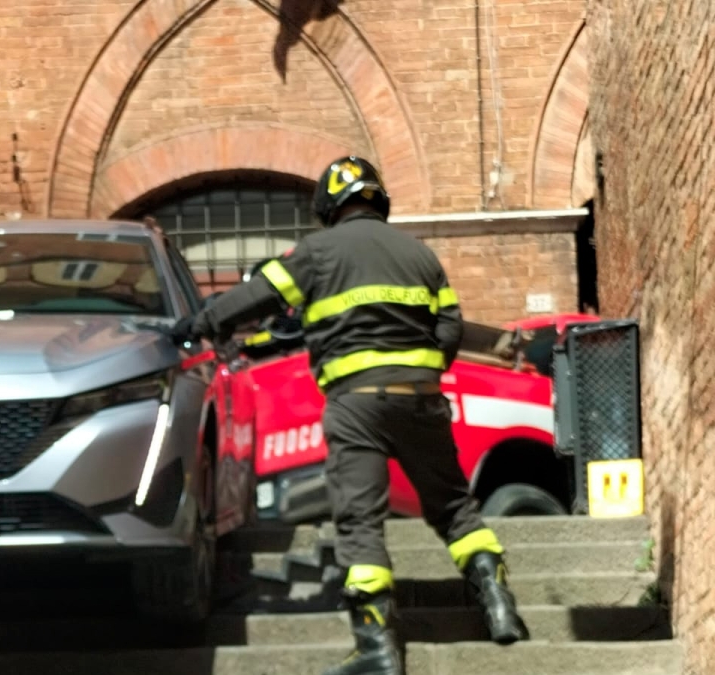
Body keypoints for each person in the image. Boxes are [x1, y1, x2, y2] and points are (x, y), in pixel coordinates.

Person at [171, 156, 529, 675]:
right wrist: (425, 370)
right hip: (422, 400)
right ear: (378, 198)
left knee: (360, 521)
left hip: (356, 404)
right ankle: (499, 606)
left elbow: (257, 296)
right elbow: (449, 327)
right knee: (454, 508)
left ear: (329, 207)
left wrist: (198, 323)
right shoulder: (420, 255)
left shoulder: (317, 252)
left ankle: (378, 651)